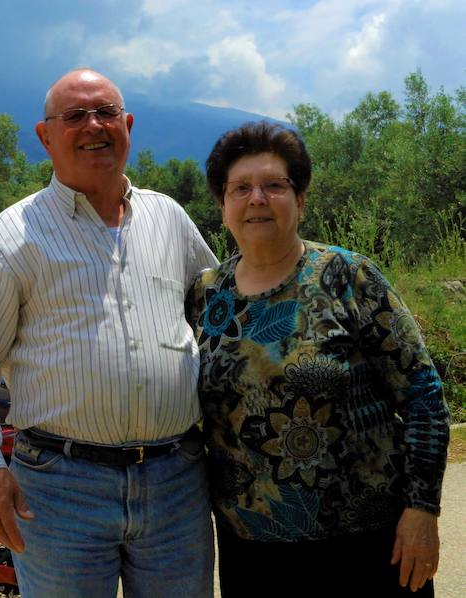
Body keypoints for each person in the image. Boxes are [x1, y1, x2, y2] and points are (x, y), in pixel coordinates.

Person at [0, 69, 218, 597]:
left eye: (107, 112)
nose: (94, 126)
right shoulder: (10, 237)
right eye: (75, 117)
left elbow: (218, 316)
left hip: (176, 481)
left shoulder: (170, 220)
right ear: (45, 137)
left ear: (128, 124)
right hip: (62, 489)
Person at [186, 121, 450, 596]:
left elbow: (424, 396)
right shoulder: (207, 295)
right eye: (240, 188)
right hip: (251, 549)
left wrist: (422, 509)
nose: (257, 198)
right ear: (223, 206)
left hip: (367, 544)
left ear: (301, 201)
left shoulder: (348, 277)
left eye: (274, 185)